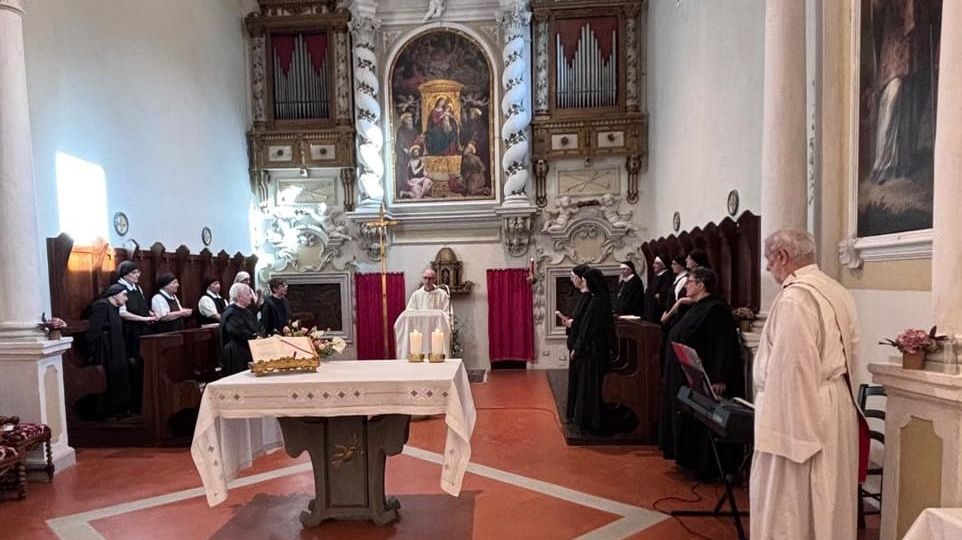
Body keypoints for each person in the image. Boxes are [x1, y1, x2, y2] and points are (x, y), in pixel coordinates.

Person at [750, 229, 861, 539]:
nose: (768, 267)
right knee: (829, 499)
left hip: (799, 413)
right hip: (832, 404)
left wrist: (787, 439)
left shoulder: (795, 298)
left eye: (769, 259)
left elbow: (793, 367)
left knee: (790, 503)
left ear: (782, 256)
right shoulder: (836, 290)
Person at [659, 267, 744, 479]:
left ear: (701, 284)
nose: (686, 286)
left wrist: (719, 377)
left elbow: (723, 345)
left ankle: (709, 467)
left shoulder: (716, 309)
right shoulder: (696, 307)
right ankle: (690, 460)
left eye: (689, 282)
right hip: (686, 374)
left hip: (706, 377)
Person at [567, 267, 617, 434]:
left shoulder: (596, 303)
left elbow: (587, 329)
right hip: (593, 349)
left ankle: (590, 421)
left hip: (593, 351)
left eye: (585, 280)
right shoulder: (598, 300)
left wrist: (578, 348)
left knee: (590, 387)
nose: (583, 282)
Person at [84, 284, 132, 418]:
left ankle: (120, 408)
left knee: (119, 375)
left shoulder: (114, 307)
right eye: (124, 294)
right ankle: (107, 410)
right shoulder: (102, 306)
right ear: (114, 294)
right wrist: (91, 351)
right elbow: (93, 330)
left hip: (116, 346)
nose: (126, 298)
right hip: (105, 348)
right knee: (107, 377)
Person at [114, 261, 156, 412]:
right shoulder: (119, 288)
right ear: (125, 274)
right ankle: (135, 403)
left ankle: (147, 399)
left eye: (138, 272)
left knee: (145, 364)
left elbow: (142, 306)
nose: (137, 275)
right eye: (134, 273)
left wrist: (151, 314)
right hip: (130, 332)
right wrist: (143, 319)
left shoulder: (137, 288)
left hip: (143, 329)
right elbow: (123, 313)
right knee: (134, 365)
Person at [559, 264, 591, 423]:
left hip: (583, 347)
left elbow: (585, 324)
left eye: (573, 277)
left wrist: (573, 323)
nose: (571, 279)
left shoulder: (589, 298)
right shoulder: (583, 296)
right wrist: (569, 322)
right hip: (576, 343)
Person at [220, 283, 264, 375]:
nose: (251, 297)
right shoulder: (231, 313)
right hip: (236, 351)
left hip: (249, 347)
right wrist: (253, 337)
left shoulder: (247, 311)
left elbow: (257, 326)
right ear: (238, 297)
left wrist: (259, 335)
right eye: (248, 294)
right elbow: (235, 331)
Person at [660, 256, 691, 326]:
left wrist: (667, 315)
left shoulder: (684, 279)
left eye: (674, 264)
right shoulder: (678, 278)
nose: (671, 266)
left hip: (676, 317)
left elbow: (677, 301)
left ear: (681, 266)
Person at [644, 256, 673, 323]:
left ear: (664, 265)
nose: (653, 265)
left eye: (657, 263)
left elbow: (664, 293)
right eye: (654, 263)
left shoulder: (667, 276)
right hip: (650, 308)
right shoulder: (656, 276)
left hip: (657, 311)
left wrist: (659, 295)